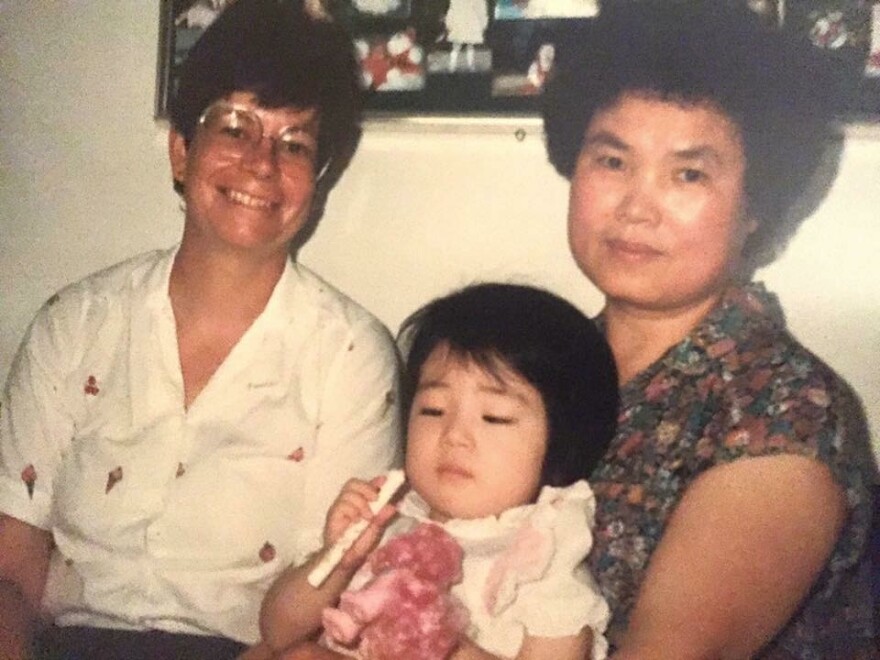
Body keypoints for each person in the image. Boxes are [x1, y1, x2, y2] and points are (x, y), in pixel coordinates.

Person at [0, 1, 401, 658]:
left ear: (317, 178)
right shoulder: (75, 323)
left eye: (294, 143)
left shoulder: (351, 355)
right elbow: (11, 570)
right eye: (237, 129)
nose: (263, 164)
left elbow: (324, 605)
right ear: (182, 151)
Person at [541, 2, 877, 657]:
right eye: (613, 162)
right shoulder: (536, 364)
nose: (637, 207)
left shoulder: (785, 415)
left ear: (757, 207)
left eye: (688, 174)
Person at [258, 283, 620, 659]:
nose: (454, 436)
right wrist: (338, 558)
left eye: (494, 418)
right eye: (433, 410)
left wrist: (441, 645)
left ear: (562, 446)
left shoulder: (543, 561)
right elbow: (278, 633)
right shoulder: (388, 521)